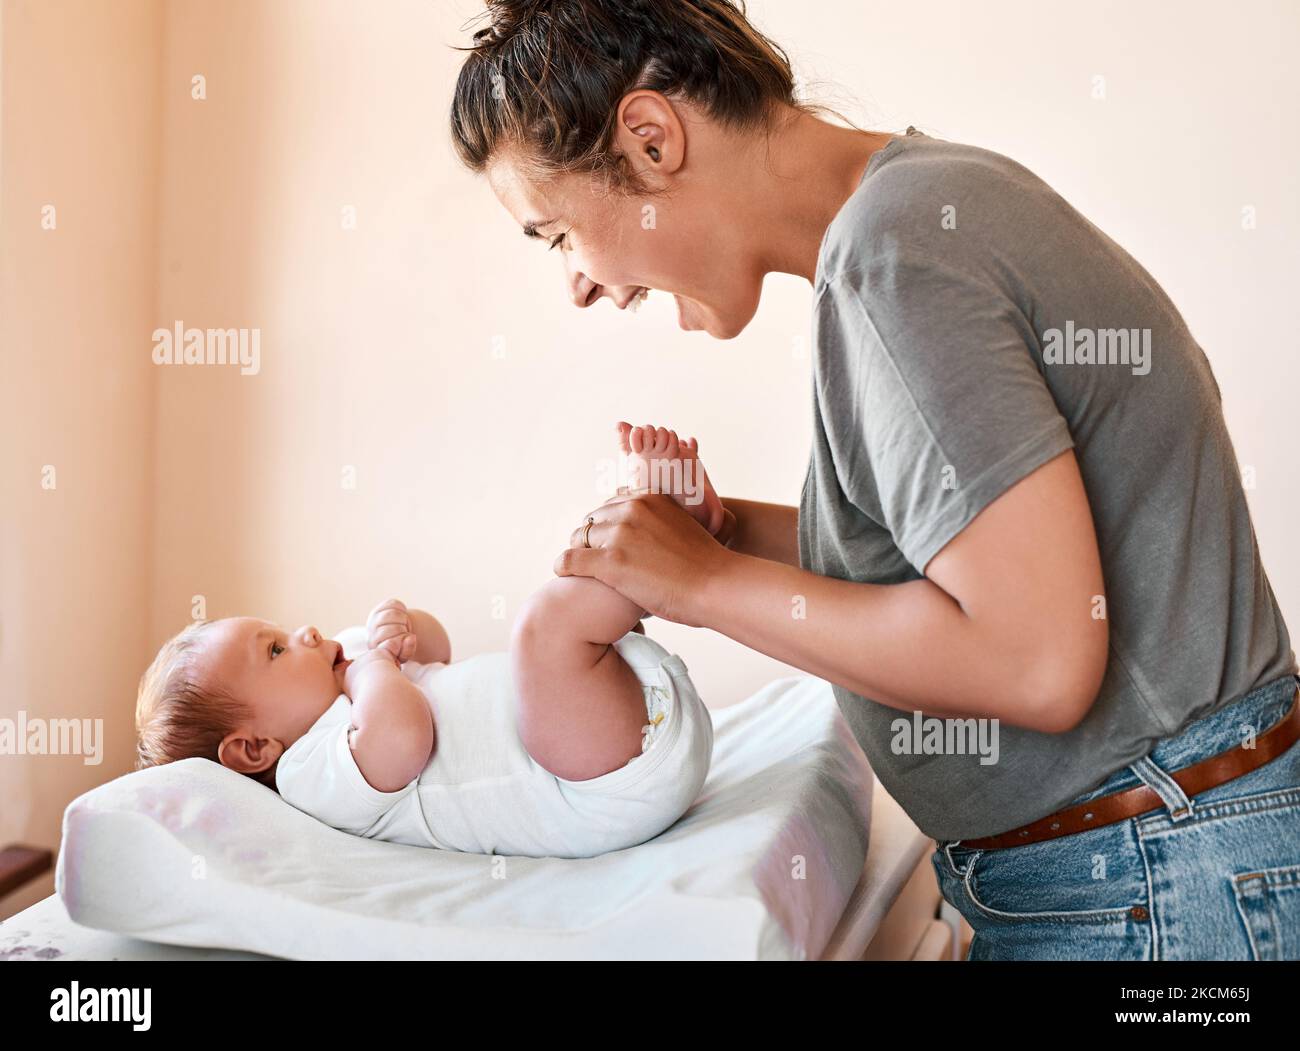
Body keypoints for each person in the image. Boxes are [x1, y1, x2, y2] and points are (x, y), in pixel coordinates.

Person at [449, 0, 1299, 959]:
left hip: (1157, 877)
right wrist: (724, 540)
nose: (580, 284)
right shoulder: (925, 205)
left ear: (649, 139)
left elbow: (1038, 660)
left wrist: (705, 584)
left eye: (557, 233)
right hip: (1167, 861)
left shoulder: (896, 256)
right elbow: (957, 571)